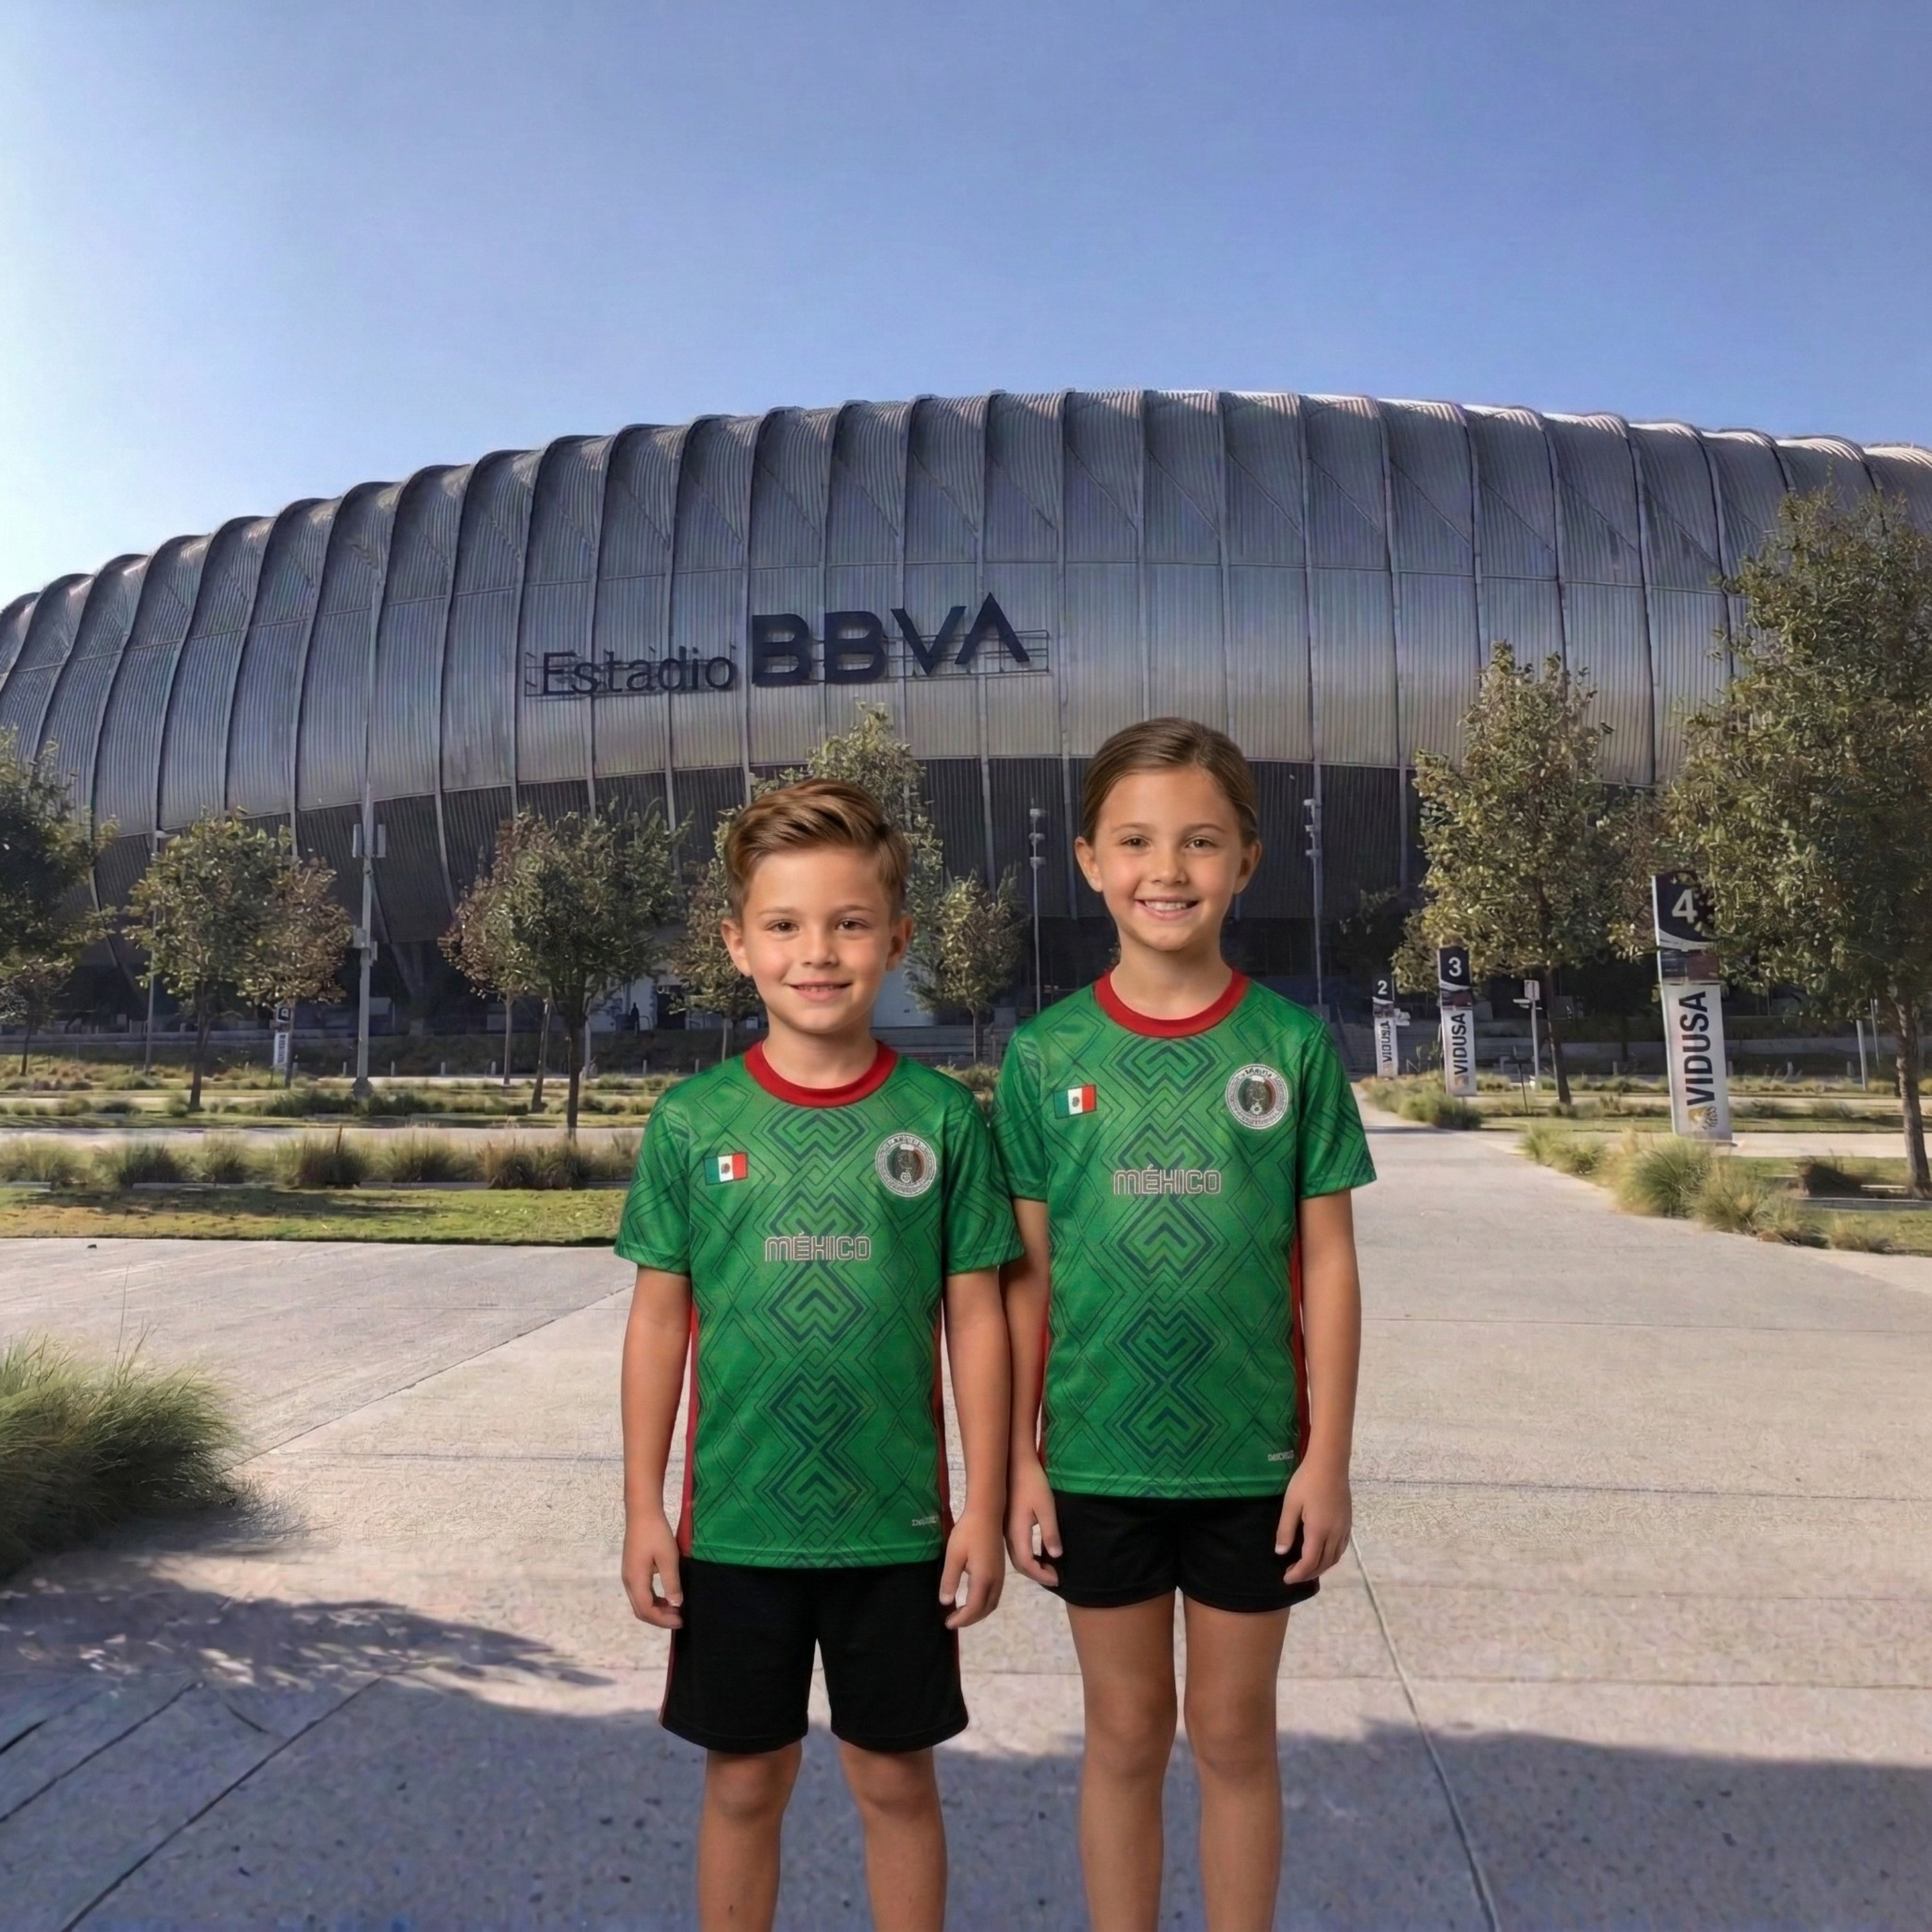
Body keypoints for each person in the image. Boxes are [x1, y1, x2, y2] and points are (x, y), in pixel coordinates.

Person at [616, 778, 1019, 1932]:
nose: (819, 952)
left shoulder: (942, 1123)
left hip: (895, 1533)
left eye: (850, 924)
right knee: (746, 1782)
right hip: (737, 1532)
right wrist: (644, 1507)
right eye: (786, 925)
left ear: (897, 940)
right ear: (738, 944)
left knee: (895, 1780)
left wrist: (981, 1511)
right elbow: (657, 1323)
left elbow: (979, 1324)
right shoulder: (693, 1126)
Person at [994, 718, 1376, 1932]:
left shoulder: (1290, 1048)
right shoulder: (1046, 1053)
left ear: (1248, 860)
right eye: (1140, 841)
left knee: (1232, 1732)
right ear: (1092, 862)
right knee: (1123, 1732)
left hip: (1253, 1465)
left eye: (1201, 841)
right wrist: (1014, 1462)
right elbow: (1024, 1281)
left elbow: (1327, 1262)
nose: (1170, 868)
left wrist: (1328, 1460)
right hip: (1096, 1460)